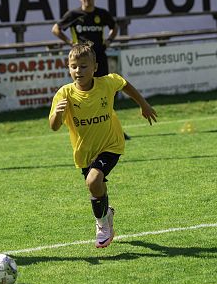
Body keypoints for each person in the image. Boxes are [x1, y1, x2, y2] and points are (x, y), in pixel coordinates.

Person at [49, 43, 157, 248]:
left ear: (95, 67)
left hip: (111, 144)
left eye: (83, 66)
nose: (78, 71)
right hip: (84, 153)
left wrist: (143, 104)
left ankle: (102, 225)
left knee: (93, 181)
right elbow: (53, 126)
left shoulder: (107, 83)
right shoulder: (64, 94)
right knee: (97, 187)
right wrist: (57, 113)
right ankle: (106, 213)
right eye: (74, 66)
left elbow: (124, 84)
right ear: (68, 68)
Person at [52, 0, 132, 140]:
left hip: (99, 57)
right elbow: (56, 29)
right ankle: (88, 126)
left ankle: (113, 127)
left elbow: (114, 27)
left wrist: (108, 41)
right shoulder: (74, 14)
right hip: (82, 62)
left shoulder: (101, 14)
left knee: (105, 94)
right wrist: (71, 43)